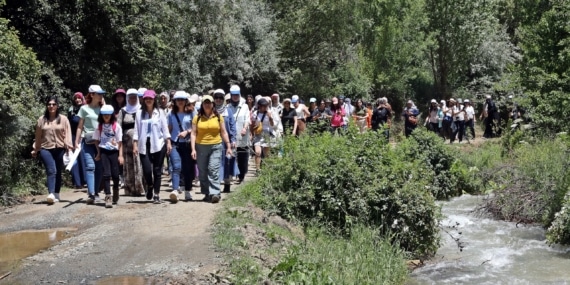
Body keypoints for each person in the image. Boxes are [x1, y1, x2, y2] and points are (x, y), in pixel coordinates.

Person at [191, 95, 232, 203]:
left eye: (209, 103)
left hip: (216, 146)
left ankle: (215, 193)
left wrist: (228, 145)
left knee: (213, 169)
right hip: (201, 147)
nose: (207, 105)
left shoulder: (218, 117)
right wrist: (193, 149)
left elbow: (223, 132)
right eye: (205, 103)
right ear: (202, 104)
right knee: (203, 171)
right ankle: (206, 193)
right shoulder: (197, 118)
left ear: (213, 104)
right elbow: (193, 134)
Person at [133, 90, 172, 204]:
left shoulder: (160, 112)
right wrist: (135, 145)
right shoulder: (139, 113)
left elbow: (165, 130)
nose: (148, 100)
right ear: (143, 100)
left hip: (158, 144)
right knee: (147, 170)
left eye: (150, 98)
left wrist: (168, 143)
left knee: (157, 170)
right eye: (146, 99)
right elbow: (136, 130)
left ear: (154, 99)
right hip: (144, 144)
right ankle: (150, 185)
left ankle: (156, 194)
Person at [32, 96, 73, 204]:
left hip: (60, 148)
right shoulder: (42, 119)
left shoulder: (63, 119)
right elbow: (38, 135)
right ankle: (50, 193)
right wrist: (36, 149)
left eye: (53, 104)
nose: (51, 106)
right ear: (47, 106)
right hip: (45, 148)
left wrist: (68, 145)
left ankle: (56, 193)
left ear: (57, 106)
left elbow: (67, 133)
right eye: (49, 104)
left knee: (58, 171)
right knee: (51, 170)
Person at [75, 85, 105, 204]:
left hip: (101, 142)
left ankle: (96, 192)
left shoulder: (103, 109)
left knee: (99, 168)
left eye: (102, 94)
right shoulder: (84, 109)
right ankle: (91, 193)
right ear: (92, 95)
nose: (101, 96)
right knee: (90, 166)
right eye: (99, 94)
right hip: (87, 141)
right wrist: (76, 142)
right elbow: (79, 126)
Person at [167, 91, 196, 202]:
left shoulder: (192, 113)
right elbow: (168, 129)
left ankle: (188, 191)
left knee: (188, 169)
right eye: (178, 100)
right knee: (176, 167)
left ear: (185, 101)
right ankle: (175, 190)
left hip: (188, 144)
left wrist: (187, 132)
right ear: (174, 101)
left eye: (182, 100)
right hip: (175, 143)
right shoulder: (170, 114)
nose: (180, 102)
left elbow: (195, 128)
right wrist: (168, 143)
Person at [93, 105, 123, 208]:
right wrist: (98, 152)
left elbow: (120, 142)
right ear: (101, 115)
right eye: (104, 114)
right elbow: (96, 140)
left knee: (115, 175)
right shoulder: (99, 126)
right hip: (104, 151)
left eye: (108, 114)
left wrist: (121, 155)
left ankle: (115, 191)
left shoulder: (116, 126)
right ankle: (108, 196)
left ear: (112, 115)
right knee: (106, 174)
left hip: (114, 152)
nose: (106, 116)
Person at [118, 89, 145, 196]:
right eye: (131, 97)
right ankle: (130, 189)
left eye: (135, 97)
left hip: (140, 141)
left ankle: (141, 188)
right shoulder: (123, 111)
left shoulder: (142, 110)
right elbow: (118, 127)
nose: (133, 99)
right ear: (127, 98)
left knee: (140, 164)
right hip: (127, 143)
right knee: (128, 165)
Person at [213, 89, 236, 192]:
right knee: (215, 163)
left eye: (220, 98)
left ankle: (227, 184)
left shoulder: (228, 111)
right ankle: (215, 186)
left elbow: (232, 126)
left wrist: (233, 140)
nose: (218, 100)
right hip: (213, 141)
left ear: (223, 99)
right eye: (216, 97)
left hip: (226, 141)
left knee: (227, 162)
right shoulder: (211, 110)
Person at [227, 85, 250, 184]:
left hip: (242, 135)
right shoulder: (227, 107)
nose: (235, 97)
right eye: (233, 95)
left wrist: (245, 128)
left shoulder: (245, 106)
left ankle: (241, 176)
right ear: (231, 95)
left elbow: (247, 119)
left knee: (242, 157)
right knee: (231, 156)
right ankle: (230, 175)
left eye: (237, 95)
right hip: (231, 136)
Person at [250, 98, 275, 175]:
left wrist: (270, 117)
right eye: (263, 106)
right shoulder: (255, 113)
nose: (265, 107)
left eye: (266, 106)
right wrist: (251, 134)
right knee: (257, 152)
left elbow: (272, 124)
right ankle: (258, 169)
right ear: (259, 106)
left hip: (266, 134)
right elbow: (252, 125)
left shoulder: (269, 113)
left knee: (266, 153)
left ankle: (267, 168)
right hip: (258, 134)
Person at [67, 92, 85, 189]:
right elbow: (68, 123)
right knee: (75, 158)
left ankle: (85, 180)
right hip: (73, 135)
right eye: (76, 98)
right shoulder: (71, 110)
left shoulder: (86, 108)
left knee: (83, 157)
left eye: (79, 98)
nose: (78, 100)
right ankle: (77, 182)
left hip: (84, 135)